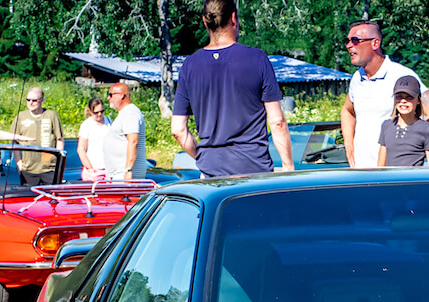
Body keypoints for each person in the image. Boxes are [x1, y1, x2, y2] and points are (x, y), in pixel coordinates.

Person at [171, 0, 293, 176]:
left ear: (205, 22)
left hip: (211, 171)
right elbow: (277, 122)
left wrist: (204, 157)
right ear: (234, 18)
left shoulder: (189, 66)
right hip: (254, 169)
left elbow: (178, 130)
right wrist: (288, 166)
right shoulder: (257, 58)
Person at [340, 19, 429, 168]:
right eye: (348, 41)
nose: (349, 45)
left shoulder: (402, 76)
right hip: (362, 175)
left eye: (355, 40)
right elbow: (347, 111)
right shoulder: (357, 78)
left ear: (375, 43)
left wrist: (412, 148)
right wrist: (348, 145)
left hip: (394, 177)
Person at [377, 75, 429, 168]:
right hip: (390, 181)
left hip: (413, 181)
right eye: (399, 97)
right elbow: (380, 166)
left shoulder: (426, 129)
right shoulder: (386, 126)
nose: (403, 101)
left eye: (409, 97)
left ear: (418, 100)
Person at [11, 87, 64, 186]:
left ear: (42, 100)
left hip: (49, 168)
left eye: (34, 100)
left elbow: (59, 139)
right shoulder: (20, 117)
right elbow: (14, 142)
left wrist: (58, 162)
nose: (31, 103)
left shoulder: (51, 115)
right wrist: (19, 163)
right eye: (28, 100)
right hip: (28, 169)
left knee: (51, 199)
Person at [103, 83, 147, 180]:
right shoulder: (125, 113)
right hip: (119, 175)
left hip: (125, 175)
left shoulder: (130, 112)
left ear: (122, 95)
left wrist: (128, 170)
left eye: (111, 95)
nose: (108, 98)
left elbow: (133, 141)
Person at [77, 97, 112, 181]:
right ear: (90, 111)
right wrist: (91, 169)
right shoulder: (86, 125)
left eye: (102, 111)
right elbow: (81, 150)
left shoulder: (109, 121)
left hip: (108, 169)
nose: (99, 114)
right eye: (96, 112)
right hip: (93, 170)